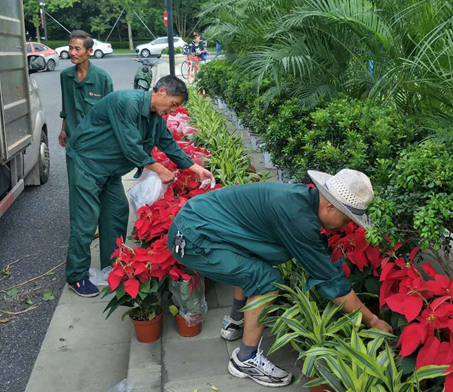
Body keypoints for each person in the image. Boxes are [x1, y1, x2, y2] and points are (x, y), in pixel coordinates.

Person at [167, 169, 393, 388]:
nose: (346, 225)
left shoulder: (301, 198)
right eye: (346, 219)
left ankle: (236, 321)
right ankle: (245, 359)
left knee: (251, 263)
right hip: (194, 239)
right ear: (331, 207)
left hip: (199, 222)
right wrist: (373, 321)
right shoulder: (299, 219)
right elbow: (329, 280)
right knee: (266, 282)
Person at [65, 76, 213, 297]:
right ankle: (76, 276)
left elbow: (168, 143)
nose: (172, 111)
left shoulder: (155, 117)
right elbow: (130, 146)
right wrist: (160, 170)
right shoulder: (126, 102)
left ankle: (112, 266)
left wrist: (195, 169)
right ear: (161, 91)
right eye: (173, 104)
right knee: (85, 220)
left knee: (116, 213)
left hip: (110, 170)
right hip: (88, 164)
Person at [59, 30, 113, 148]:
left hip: (96, 140)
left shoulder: (102, 77)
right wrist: (63, 130)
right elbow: (66, 107)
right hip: (72, 138)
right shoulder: (65, 76)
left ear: (89, 51)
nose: (72, 53)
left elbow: (111, 112)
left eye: (77, 49)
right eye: (70, 48)